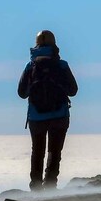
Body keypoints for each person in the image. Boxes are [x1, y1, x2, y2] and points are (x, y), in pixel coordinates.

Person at [17, 30, 79, 191]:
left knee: (37, 151)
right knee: (54, 150)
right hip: (60, 115)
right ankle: (50, 185)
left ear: (36, 44)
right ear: (54, 44)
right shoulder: (62, 65)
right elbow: (73, 90)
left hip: (36, 117)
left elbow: (21, 93)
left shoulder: (30, 66)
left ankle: (36, 187)